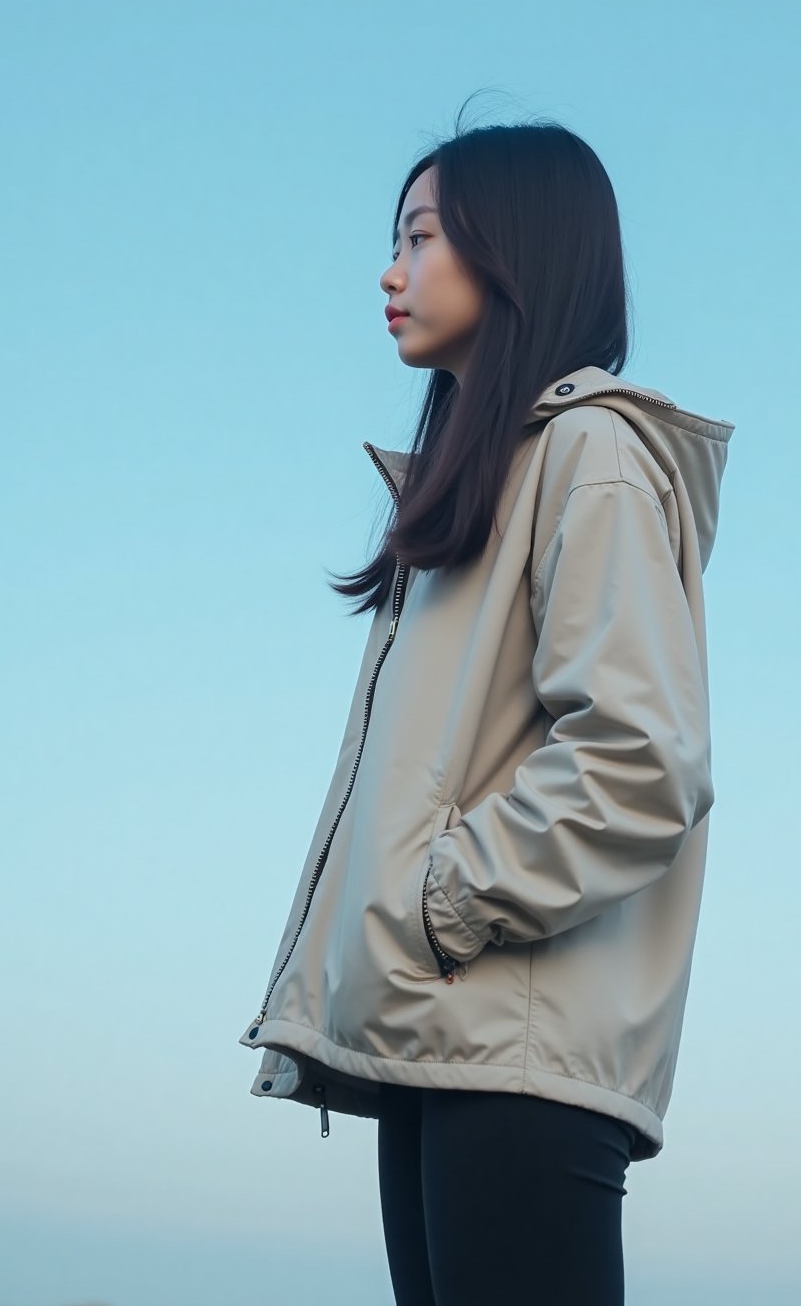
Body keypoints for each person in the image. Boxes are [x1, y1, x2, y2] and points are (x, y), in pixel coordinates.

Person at [238, 106, 736, 1305]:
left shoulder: (592, 456)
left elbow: (636, 757)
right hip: (444, 1043)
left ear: (512, 248)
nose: (389, 269)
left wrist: (440, 902)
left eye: (420, 235)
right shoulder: (485, 483)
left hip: (513, 1053)